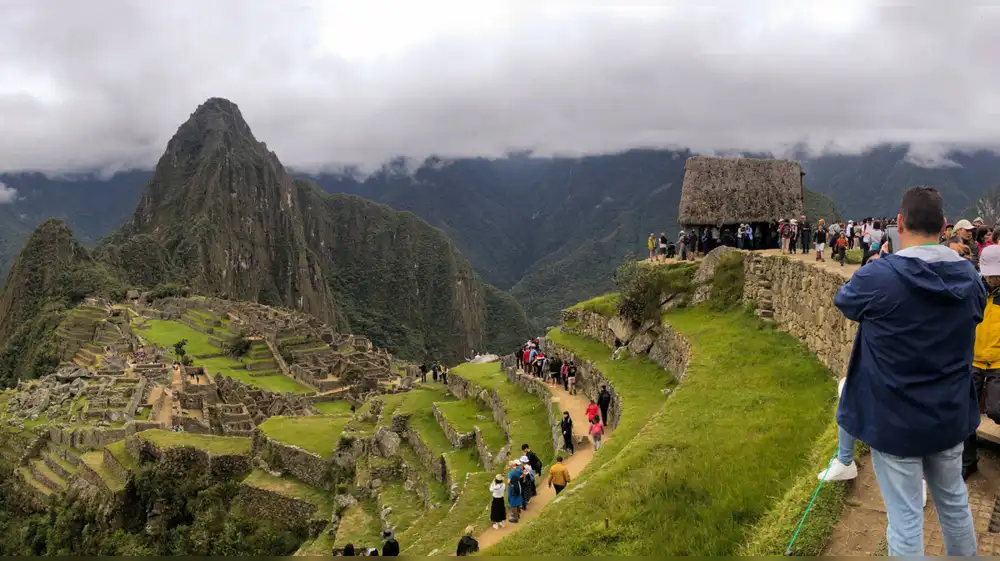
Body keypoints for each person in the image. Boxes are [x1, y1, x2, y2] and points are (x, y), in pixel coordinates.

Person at [834, 186, 982, 556]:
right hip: (948, 415)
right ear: (945, 227)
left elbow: (845, 301)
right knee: (954, 503)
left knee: (904, 519)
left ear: (899, 223)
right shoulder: (970, 279)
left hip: (894, 419)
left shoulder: (880, 276)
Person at [963, 244, 1000, 478]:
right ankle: (969, 461)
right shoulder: (973, 290)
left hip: (998, 362)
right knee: (966, 413)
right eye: (991, 273)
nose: (994, 278)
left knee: (997, 409)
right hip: (973, 359)